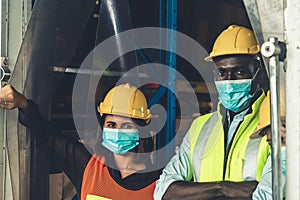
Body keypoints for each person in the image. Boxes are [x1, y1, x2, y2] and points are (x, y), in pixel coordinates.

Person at [154, 25, 278, 200]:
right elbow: (164, 191)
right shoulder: (200, 127)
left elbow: (270, 195)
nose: (229, 81)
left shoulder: (274, 124)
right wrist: (223, 188)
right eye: (222, 73)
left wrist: (195, 191)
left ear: (259, 73)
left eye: (239, 72)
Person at [0, 83, 162, 200]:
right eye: (111, 125)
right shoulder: (88, 167)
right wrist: (23, 104)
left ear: (140, 131)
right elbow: (47, 135)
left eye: (126, 126)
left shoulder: (160, 185)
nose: (118, 132)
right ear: (103, 128)